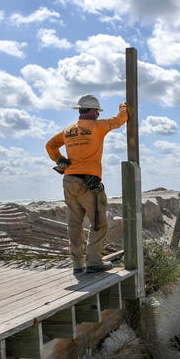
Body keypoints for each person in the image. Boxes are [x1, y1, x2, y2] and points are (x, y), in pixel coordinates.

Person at [46, 95, 128, 274]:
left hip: (69, 181)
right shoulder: (98, 127)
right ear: (91, 111)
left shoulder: (68, 130)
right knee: (98, 222)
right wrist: (123, 106)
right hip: (88, 182)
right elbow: (120, 120)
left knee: (74, 224)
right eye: (97, 111)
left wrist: (60, 159)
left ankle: (77, 264)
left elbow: (50, 145)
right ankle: (94, 262)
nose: (98, 115)